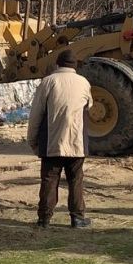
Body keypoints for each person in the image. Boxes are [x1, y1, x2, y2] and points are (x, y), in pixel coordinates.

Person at [27, 48, 93, 229]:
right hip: (77, 142)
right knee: (76, 180)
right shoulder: (84, 82)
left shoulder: (48, 82)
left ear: (58, 64)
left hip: (52, 142)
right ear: (75, 65)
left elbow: (36, 115)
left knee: (49, 179)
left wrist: (32, 140)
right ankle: (78, 218)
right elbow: (89, 107)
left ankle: (44, 219)